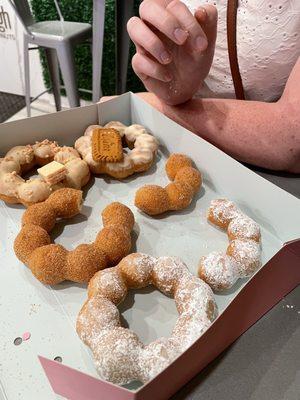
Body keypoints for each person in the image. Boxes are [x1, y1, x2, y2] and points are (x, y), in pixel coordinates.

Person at [104, 0, 300, 173]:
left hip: (276, 183)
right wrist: (172, 91)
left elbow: (291, 138)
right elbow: (165, 72)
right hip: (185, 151)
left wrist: (147, 105)